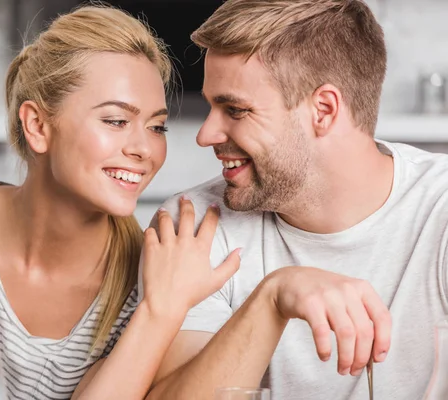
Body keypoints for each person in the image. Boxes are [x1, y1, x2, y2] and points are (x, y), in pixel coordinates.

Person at [0, 2, 394, 400]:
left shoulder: (153, 268)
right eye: (115, 121)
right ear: (38, 125)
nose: (143, 149)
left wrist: (161, 308)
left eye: (156, 126)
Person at [142, 0, 448, 399]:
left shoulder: (439, 210)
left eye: (235, 109)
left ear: (323, 110)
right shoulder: (194, 226)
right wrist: (272, 298)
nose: (206, 135)